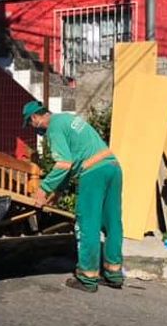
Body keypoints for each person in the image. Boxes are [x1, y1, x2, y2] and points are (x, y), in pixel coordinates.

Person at [23, 100, 124, 293]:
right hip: (113, 167)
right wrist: (58, 192)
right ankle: (114, 275)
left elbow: (64, 164)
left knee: (88, 225)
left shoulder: (53, 129)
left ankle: (87, 278)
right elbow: (71, 163)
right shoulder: (66, 119)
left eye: (30, 123)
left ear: (35, 118)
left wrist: (43, 189)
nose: (33, 128)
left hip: (93, 172)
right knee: (113, 224)